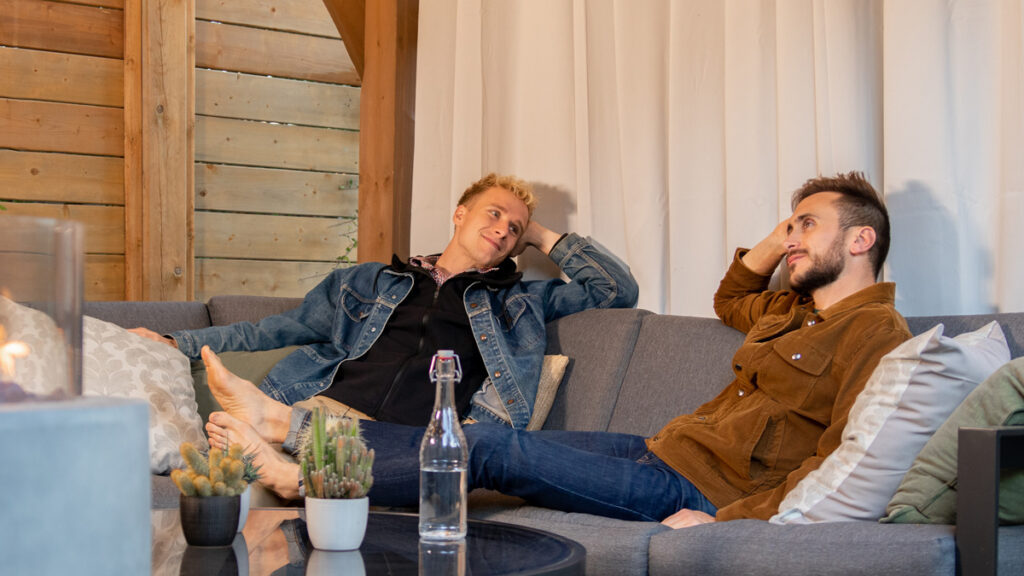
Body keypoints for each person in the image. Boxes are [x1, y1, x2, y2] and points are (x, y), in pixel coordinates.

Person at [348, 171, 913, 526]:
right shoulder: (792, 311)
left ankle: (311, 474)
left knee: (488, 449)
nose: (792, 240)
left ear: (861, 240)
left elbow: (845, 460)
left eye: (807, 226)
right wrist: (783, 236)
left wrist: (731, 521)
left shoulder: (876, 334)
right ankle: (304, 444)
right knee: (490, 443)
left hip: (702, 489)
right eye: (792, 228)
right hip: (660, 448)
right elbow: (730, 295)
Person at [131, 173, 639, 498]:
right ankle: (294, 456)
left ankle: (294, 463)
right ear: (459, 213)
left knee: (409, 470)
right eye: (494, 213)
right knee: (232, 495)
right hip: (326, 408)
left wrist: (541, 235)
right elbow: (277, 328)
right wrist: (180, 343)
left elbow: (616, 287)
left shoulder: (520, 301)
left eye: (515, 228)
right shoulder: (368, 280)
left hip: (412, 444)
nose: (505, 228)